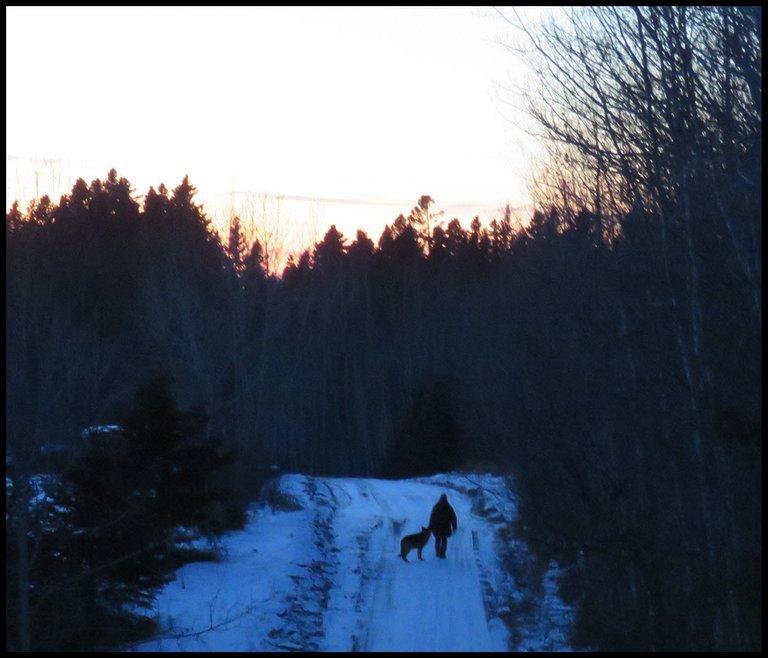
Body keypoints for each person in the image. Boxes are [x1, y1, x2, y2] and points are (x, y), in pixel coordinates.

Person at [428, 493, 458, 559]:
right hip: (445, 527)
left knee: (437, 540)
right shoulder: (449, 507)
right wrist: (454, 526)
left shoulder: (436, 507)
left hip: (437, 527)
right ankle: (442, 554)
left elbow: (432, 518)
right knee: (444, 540)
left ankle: (437, 552)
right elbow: (453, 518)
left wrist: (430, 527)